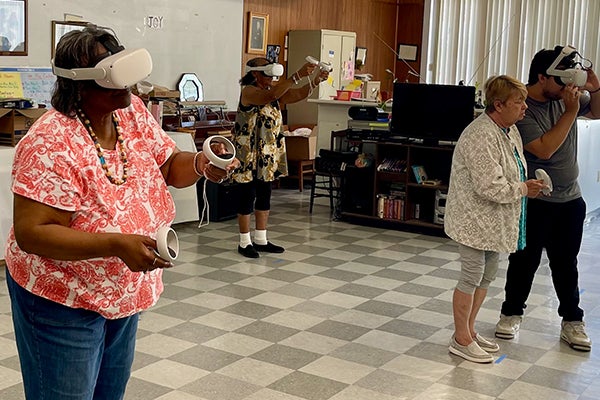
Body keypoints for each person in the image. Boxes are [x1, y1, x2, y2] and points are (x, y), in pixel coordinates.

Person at [4, 26, 237, 400]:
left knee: (108, 393)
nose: (129, 87)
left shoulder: (131, 114)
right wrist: (116, 243)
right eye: (115, 78)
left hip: (121, 292)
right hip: (63, 299)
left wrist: (199, 163)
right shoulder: (50, 141)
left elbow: (167, 165)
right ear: (79, 85)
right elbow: (33, 232)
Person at [496, 46, 600, 351]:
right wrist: (570, 112)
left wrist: (596, 89)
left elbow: (597, 111)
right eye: (561, 81)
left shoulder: (564, 97)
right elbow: (544, 149)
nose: (569, 89)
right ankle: (511, 313)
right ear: (542, 77)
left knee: (566, 264)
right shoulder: (521, 107)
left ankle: (572, 321)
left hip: (571, 200)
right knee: (524, 261)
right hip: (535, 200)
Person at [445, 75, 545, 363]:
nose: (525, 107)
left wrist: (526, 185)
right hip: (473, 219)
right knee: (471, 276)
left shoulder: (509, 129)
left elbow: (510, 171)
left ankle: (470, 331)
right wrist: (524, 189)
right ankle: (460, 339)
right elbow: (489, 185)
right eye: (518, 102)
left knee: (487, 275)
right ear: (498, 105)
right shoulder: (480, 134)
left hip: (493, 220)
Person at [232, 57, 329, 258]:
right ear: (255, 74)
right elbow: (271, 95)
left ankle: (261, 239)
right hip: (248, 154)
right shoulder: (249, 92)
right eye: (268, 75)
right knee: (246, 196)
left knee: (265, 194)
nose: (272, 79)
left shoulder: (274, 92)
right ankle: (244, 242)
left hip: (267, 153)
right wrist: (297, 75)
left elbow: (297, 94)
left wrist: (315, 80)